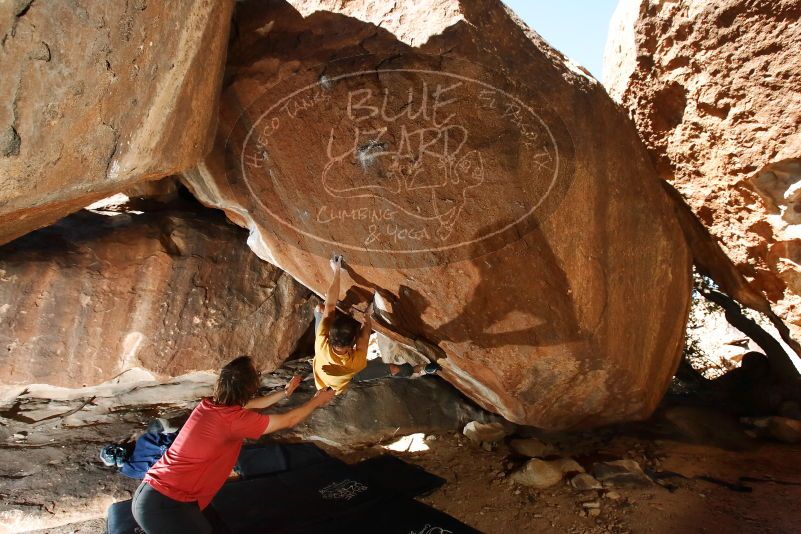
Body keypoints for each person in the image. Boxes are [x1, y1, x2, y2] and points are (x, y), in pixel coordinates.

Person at [131, 356, 334, 534]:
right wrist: (317, 400)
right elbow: (288, 420)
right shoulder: (232, 421)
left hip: (159, 496)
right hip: (164, 506)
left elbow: (253, 404)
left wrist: (285, 392)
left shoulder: (211, 405)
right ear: (248, 386)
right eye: (258, 373)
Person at [313, 255, 439, 394]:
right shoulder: (356, 364)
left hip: (325, 368)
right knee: (393, 369)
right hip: (350, 376)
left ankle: (337, 290)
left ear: (329, 335)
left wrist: (336, 271)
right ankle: (420, 370)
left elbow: (330, 305)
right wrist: (368, 313)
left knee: (321, 308)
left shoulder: (321, 341)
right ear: (352, 344)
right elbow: (365, 332)